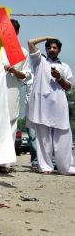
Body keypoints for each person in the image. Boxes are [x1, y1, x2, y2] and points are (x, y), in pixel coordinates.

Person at [26, 36, 75, 175]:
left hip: (59, 105)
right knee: (43, 138)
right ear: (46, 49)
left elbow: (67, 87)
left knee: (63, 136)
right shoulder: (39, 61)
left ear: (59, 50)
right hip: (42, 105)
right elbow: (30, 42)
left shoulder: (65, 67)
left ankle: (65, 167)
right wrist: (47, 37)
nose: (51, 50)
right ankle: (46, 167)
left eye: (54, 48)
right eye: (49, 47)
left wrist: (59, 77)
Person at [0, 19, 31, 174]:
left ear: (17, 33)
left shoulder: (22, 52)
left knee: (9, 127)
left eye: (11, 31)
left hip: (11, 92)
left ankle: (3, 163)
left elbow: (26, 76)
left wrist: (14, 71)